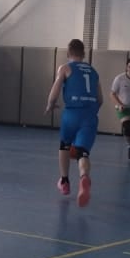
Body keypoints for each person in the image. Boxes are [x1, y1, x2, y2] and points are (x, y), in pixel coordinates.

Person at [46, 39, 101, 207]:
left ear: (68, 53)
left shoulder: (65, 68)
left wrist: (50, 104)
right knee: (82, 153)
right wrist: (91, 112)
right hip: (89, 115)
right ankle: (84, 177)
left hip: (71, 114)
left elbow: (56, 88)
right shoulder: (93, 71)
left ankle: (64, 181)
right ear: (83, 54)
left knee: (64, 146)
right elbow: (100, 99)